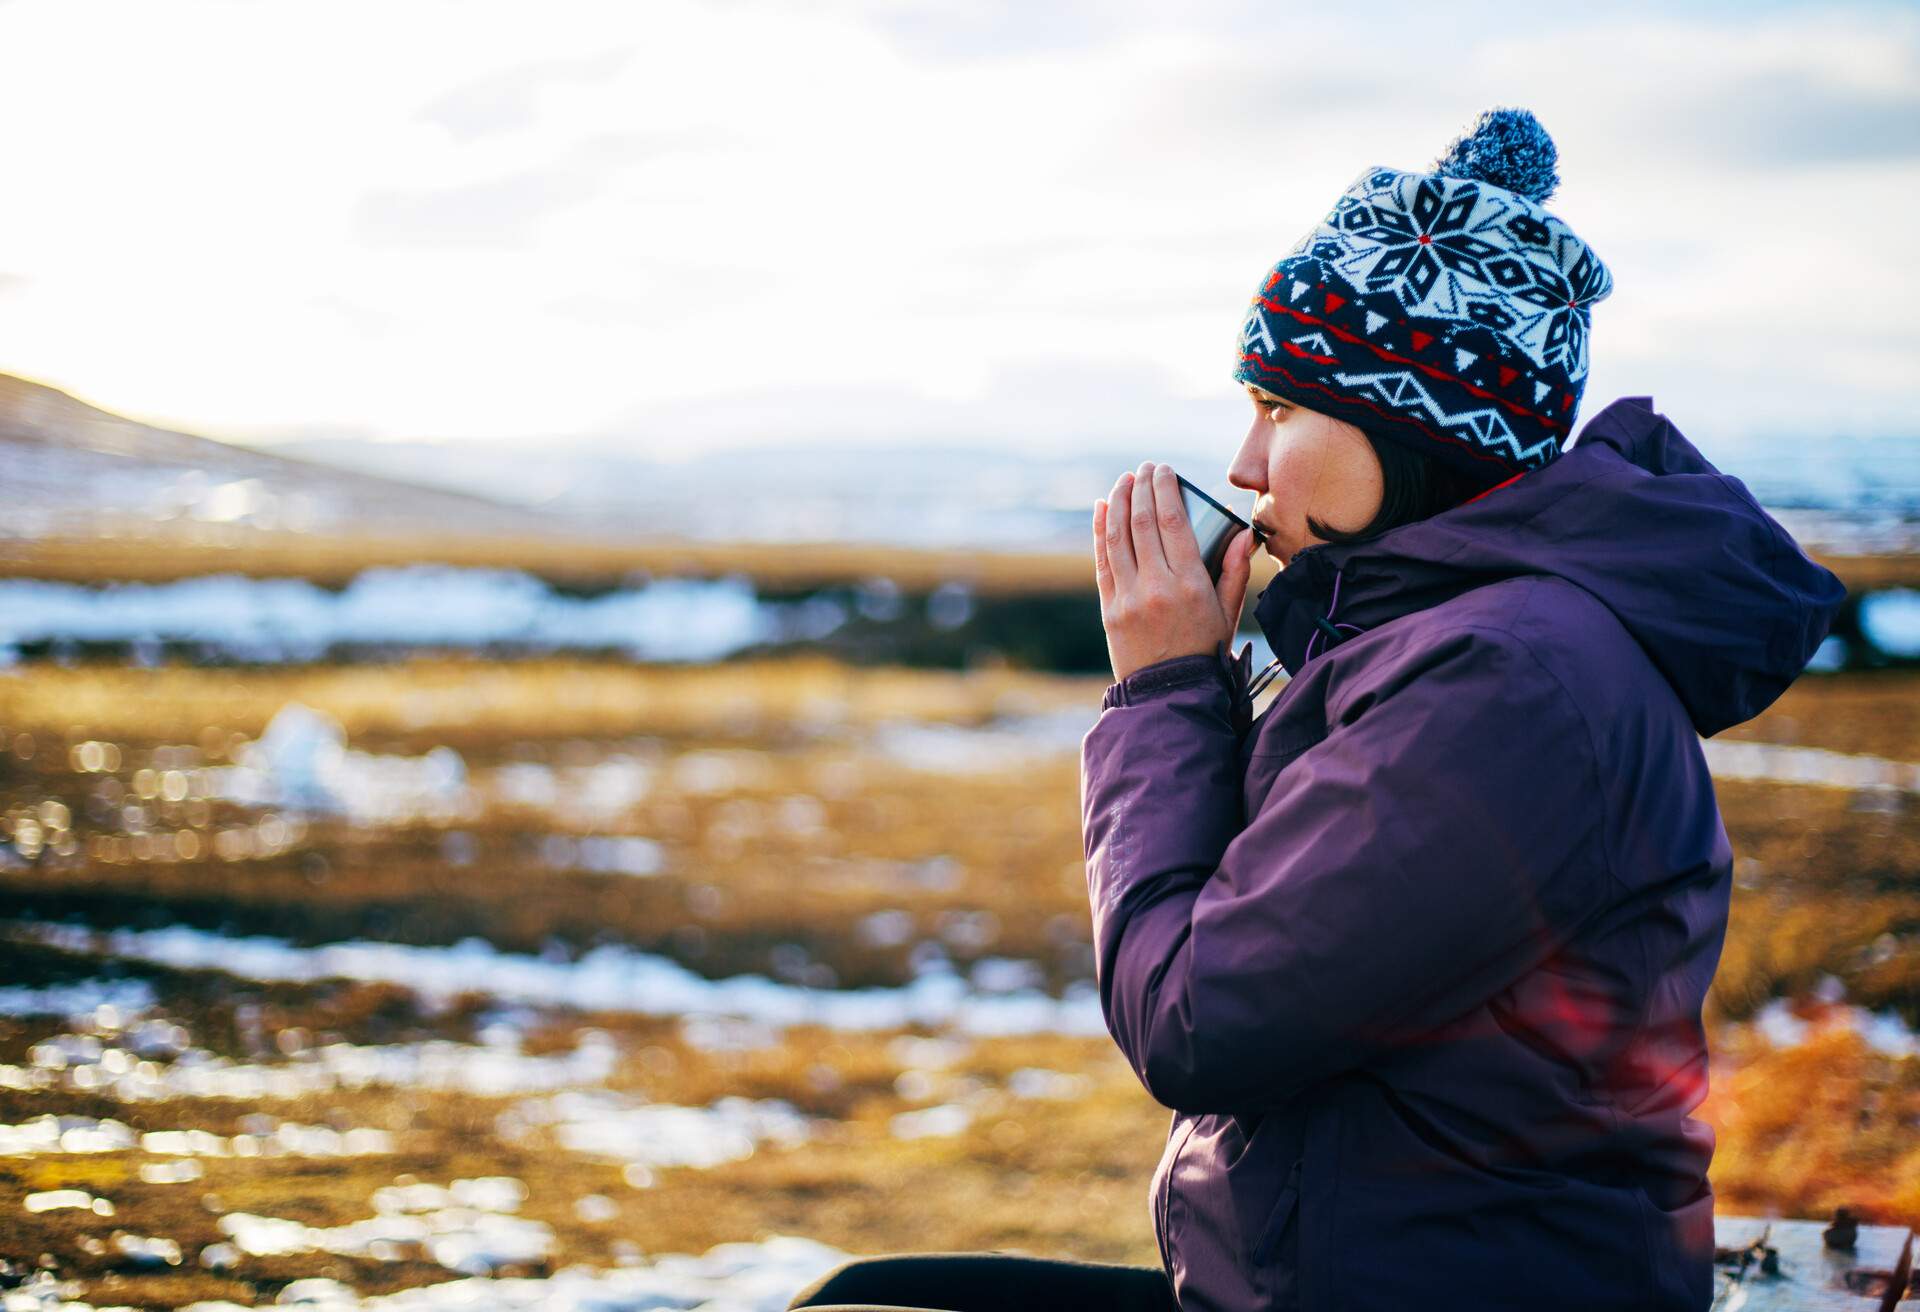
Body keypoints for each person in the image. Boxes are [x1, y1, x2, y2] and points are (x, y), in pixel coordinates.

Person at [791, 106, 1847, 1312]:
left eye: (1282, 408)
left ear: (1412, 419)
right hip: (1348, 1275)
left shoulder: (1505, 682)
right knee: (870, 1296)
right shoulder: (1451, 644)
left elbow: (1200, 1020)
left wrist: (1165, 691)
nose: (1244, 462)